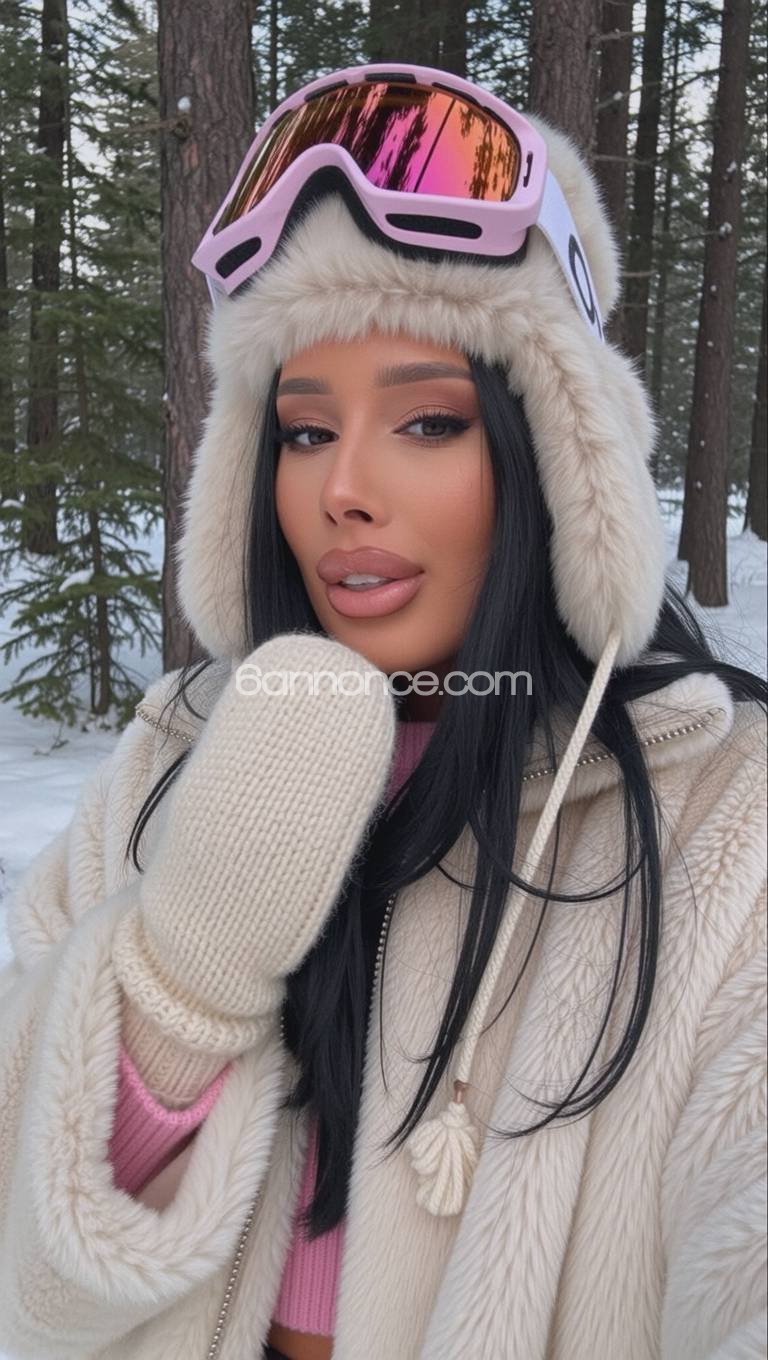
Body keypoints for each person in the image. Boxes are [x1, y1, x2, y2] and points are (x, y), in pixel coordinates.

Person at [0, 61, 765, 1360]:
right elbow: (27, 1289)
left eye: (427, 423)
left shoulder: (727, 820)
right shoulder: (166, 763)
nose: (342, 489)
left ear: (552, 459)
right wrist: (180, 991)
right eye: (304, 432)